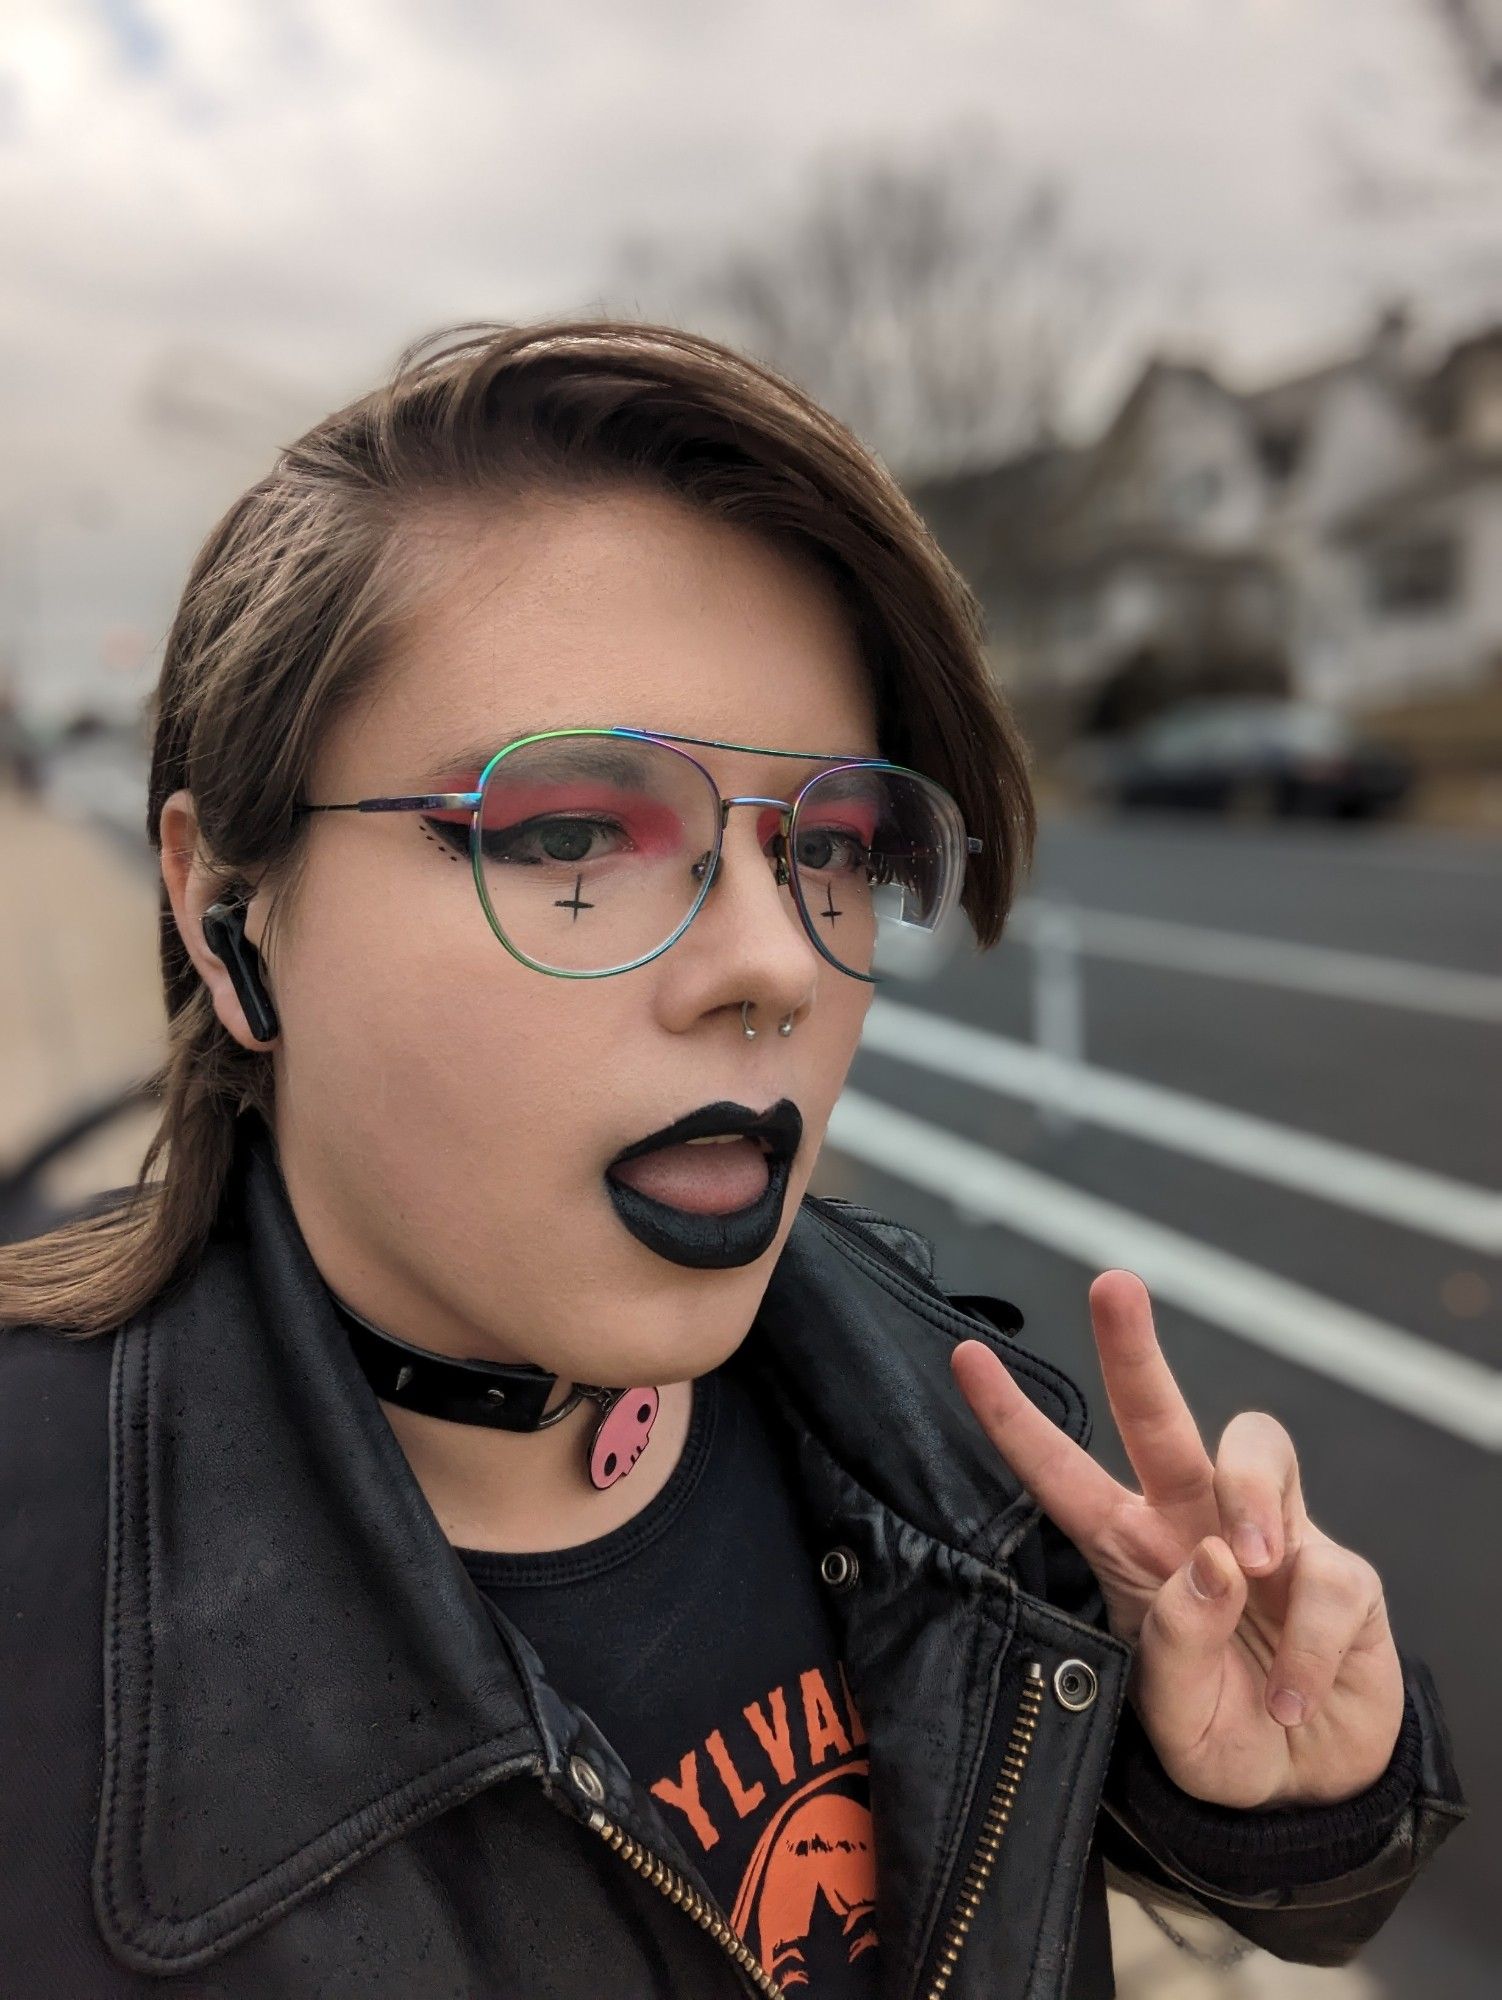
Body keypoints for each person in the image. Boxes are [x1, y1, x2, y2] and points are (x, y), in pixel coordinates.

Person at [0, 321, 1464, 1999]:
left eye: (830, 848)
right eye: (567, 835)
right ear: (222, 908)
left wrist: (1271, 1797)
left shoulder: (935, 1416)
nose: (776, 963)